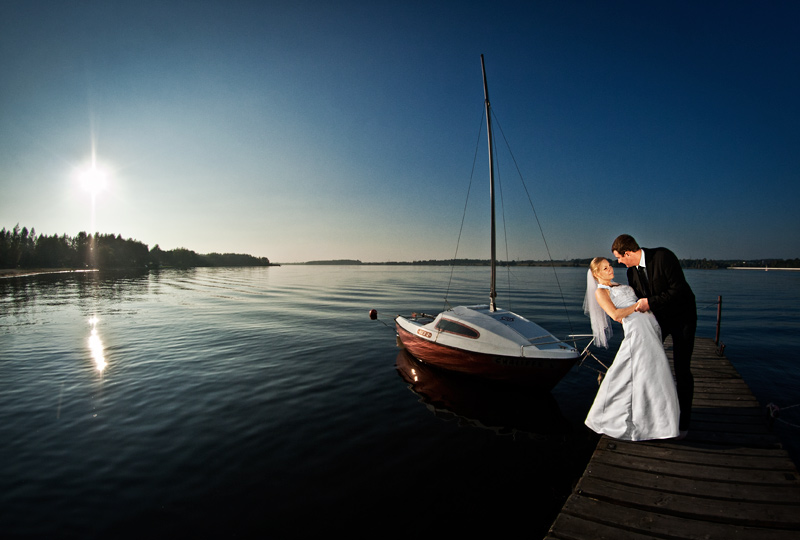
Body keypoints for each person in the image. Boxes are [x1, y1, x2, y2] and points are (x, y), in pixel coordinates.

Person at [584, 257, 680, 441]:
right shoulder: (600, 292)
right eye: (605, 268)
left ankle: (658, 422)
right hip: (637, 331)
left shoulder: (620, 284)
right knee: (631, 372)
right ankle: (605, 417)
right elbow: (615, 314)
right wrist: (638, 306)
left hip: (650, 327)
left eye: (610, 265)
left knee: (651, 373)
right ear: (596, 274)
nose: (610, 269)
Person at [612, 234, 696, 436]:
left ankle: (683, 421)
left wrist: (650, 302)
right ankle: (655, 416)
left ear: (628, 253)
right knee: (648, 363)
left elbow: (678, 289)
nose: (619, 262)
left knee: (681, 368)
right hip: (660, 320)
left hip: (683, 318)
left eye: (619, 257)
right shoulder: (632, 273)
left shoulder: (663, 257)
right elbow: (636, 298)